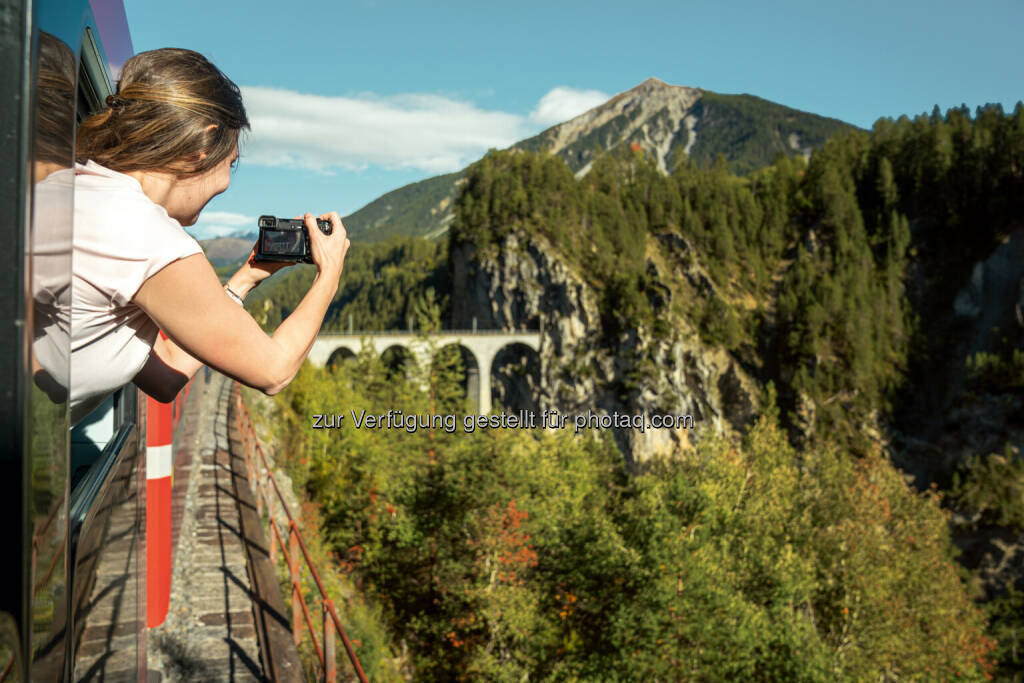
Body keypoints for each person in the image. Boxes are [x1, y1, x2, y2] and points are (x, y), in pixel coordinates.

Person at [67, 48, 350, 424]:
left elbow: (165, 375)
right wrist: (329, 273)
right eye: (230, 162)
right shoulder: (143, 233)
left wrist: (244, 279)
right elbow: (275, 371)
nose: (228, 182)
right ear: (203, 145)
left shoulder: (84, 195)